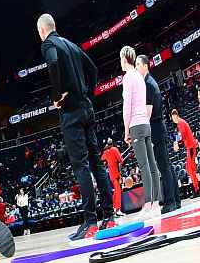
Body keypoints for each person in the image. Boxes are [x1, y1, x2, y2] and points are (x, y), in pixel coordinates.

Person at [37, 13, 115, 240]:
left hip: (71, 112)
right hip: (86, 108)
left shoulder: (49, 44)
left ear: (42, 31)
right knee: (96, 163)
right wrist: (88, 95)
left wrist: (57, 96)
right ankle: (109, 216)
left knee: (81, 165)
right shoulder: (71, 44)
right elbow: (93, 70)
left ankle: (90, 222)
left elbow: (53, 62)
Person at [120, 46, 161, 218]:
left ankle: (148, 206)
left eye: (120, 58)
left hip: (136, 125)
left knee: (144, 166)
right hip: (145, 123)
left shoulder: (128, 77)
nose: (120, 62)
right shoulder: (138, 75)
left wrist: (126, 130)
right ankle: (156, 204)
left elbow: (127, 106)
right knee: (152, 165)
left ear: (124, 58)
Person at [137, 55, 178, 213]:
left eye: (138, 64)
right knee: (167, 165)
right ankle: (176, 200)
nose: (137, 67)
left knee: (163, 166)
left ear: (146, 66)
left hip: (155, 127)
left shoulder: (148, 84)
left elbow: (147, 113)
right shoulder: (150, 82)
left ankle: (170, 202)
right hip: (159, 126)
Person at [171, 109, 198, 197]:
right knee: (189, 168)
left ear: (175, 116)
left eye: (173, 118)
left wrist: (178, 145)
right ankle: (196, 188)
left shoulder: (180, 123)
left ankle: (197, 189)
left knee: (190, 169)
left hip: (191, 147)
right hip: (190, 147)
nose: (173, 120)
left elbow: (183, 136)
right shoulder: (181, 122)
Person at [101, 138, 123, 216]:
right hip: (116, 174)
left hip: (111, 175)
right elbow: (121, 160)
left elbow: (102, 160)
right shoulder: (114, 149)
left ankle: (113, 208)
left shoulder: (105, 152)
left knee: (116, 191)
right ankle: (117, 209)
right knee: (118, 191)